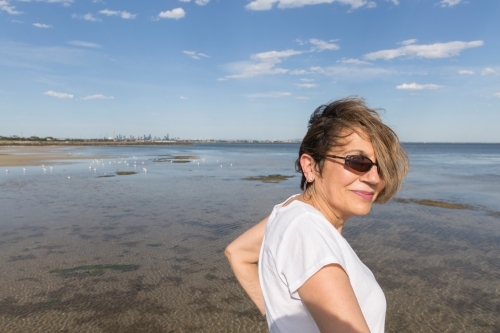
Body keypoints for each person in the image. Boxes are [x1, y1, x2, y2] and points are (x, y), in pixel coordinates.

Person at [225, 97, 409, 333]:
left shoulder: (291, 210)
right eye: (358, 162)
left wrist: (278, 319)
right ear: (311, 167)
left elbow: (238, 253)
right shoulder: (307, 230)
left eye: (380, 166)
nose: (374, 178)